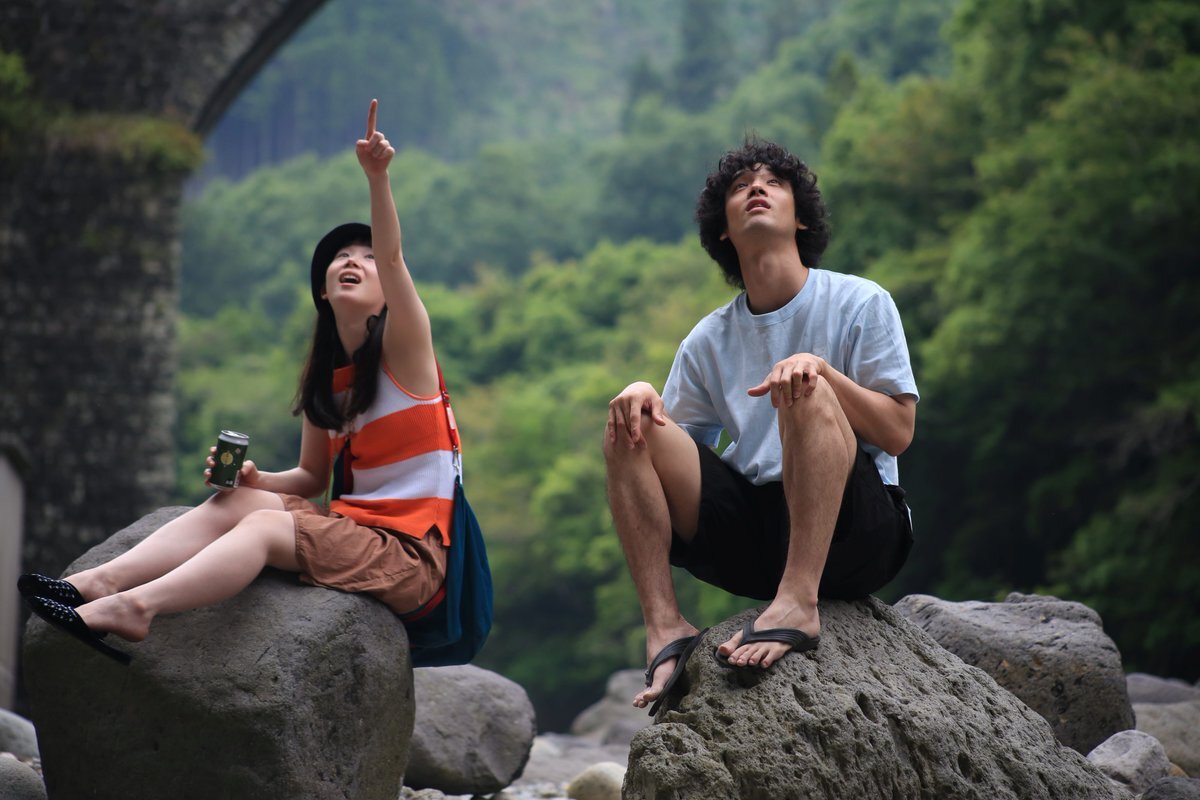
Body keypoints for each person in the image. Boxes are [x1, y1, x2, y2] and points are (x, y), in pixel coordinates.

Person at [19, 99, 457, 665]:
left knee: (265, 530)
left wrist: (377, 177)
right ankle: (95, 584)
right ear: (323, 291)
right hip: (352, 529)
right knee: (241, 500)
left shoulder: (408, 349)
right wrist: (256, 478)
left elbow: (395, 262)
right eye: (342, 256)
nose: (354, 260)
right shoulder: (329, 379)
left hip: (409, 555)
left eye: (366, 257)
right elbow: (311, 477)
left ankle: (136, 608)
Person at [604, 138, 918, 714]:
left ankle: (800, 600)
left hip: (856, 530)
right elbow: (671, 465)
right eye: (740, 185)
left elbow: (898, 432)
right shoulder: (707, 340)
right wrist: (644, 398)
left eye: (774, 182)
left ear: (801, 218)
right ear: (723, 230)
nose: (756, 188)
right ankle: (664, 626)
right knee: (631, 421)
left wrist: (822, 372)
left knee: (805, 384)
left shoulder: (860, 301)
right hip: (754, 541)